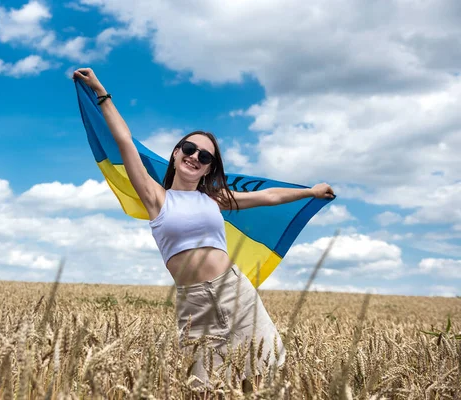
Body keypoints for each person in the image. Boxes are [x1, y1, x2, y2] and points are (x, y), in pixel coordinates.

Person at [73, 68, 335, 390]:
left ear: (210, 167)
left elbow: (267, 196)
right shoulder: (156, 198)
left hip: (237, 293)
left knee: (268, 375)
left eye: (204, 156)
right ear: (175, 153)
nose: (195, 156)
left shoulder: (215, 199)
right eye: (188, 149)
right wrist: (101, 91)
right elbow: (125, 140)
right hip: (195, 305)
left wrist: (310, 191)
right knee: (202, 388)